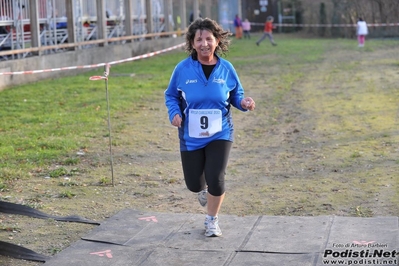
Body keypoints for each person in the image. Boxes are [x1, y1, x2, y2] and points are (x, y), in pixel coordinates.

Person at [164, 18, 255, 237]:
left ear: (217, 41)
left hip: (220, 132)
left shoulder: (226, 68)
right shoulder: (183, 69)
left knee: (216, 177)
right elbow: (171, 95)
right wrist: (174, 113)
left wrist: (243, 103)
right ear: (192, 43)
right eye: (199, 40)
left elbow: (236, 94)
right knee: (194, 184)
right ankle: (202, 190)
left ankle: (212, 220)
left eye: (209, 39)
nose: (204, 44)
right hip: (190, 135)